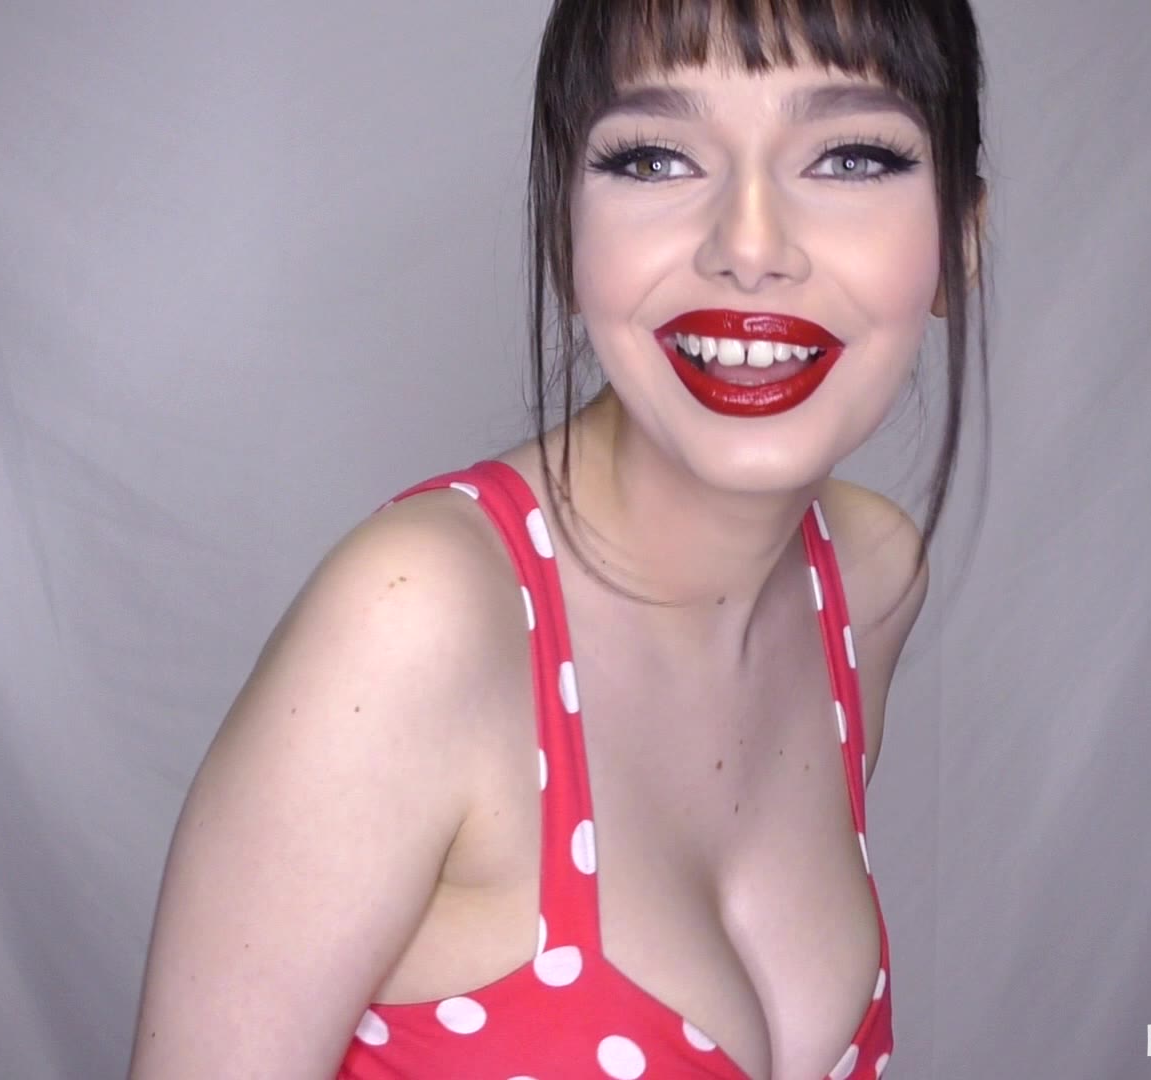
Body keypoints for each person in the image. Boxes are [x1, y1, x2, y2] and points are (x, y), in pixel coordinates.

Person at [129, 1, 986, 1076]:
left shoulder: (864, 580)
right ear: (566, 234)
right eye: (656, 157)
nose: (750, 246)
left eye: (851, 158)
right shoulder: (416, 621)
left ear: (959, 240)